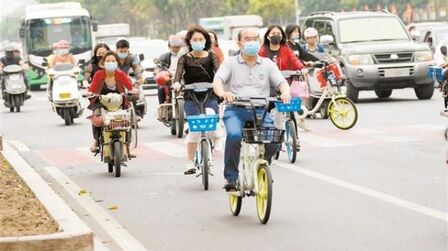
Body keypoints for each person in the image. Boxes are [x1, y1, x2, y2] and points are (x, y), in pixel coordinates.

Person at [212, 28, 291, 191]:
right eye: (248, 39)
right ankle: (231, 178)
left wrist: (285, 92)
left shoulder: (268, 64)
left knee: (275, 140)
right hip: (235, 110)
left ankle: (262, 168)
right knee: (234, 136)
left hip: (260, 112)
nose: (252, 42)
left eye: (255, 38)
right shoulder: (230, 63)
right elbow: (218, 80)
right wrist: (223, 93)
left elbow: (281, 82)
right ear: (239, 43)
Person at [172, 25, 220, 175]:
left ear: (205, 40)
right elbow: (178, 74)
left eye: (201, 39)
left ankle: (211, 148)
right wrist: (177, 83)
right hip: (191, 96)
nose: (198, 41)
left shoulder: (212, 56)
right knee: (194, 129)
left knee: (212, 122)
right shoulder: (184, 58)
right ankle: (190, 162)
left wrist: (220, 85)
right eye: (195, 39)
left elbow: (219, 73)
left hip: (210, 95)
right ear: (189, 41)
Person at [258, 25, 309, 131]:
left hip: (285, 84)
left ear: (282, 36)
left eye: (278, 34)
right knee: (268, 110)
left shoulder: (286, 50)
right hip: (267, 86)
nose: (276, 36)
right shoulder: (262, 51)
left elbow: (295, 60)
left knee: (289, 108)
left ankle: (294, 133)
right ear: (268, 36)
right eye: (273, 34)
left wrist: (302, 68)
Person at [86, 51, 138, 152]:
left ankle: (128, 144)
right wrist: (89, 93)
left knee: (127, 119)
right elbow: (92, 88)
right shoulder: (98, 74)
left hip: (119, 102)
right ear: (103, 63)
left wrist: (133, 90)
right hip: (101, 102)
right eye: (108, 61)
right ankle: (96, 141)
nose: (110, 63)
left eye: (113, 61)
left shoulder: (120, 74)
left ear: (117, 63)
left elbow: (129, 86)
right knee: (97, 117)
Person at [154, 35, 184, 104]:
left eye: (177, 47)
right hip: (169, 80)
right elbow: (158, 67)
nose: (175, 49)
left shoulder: (186, 56)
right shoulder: (164, 57)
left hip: (183, 79)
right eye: (173, 47)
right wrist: (159, 72)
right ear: (169, 47)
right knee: (161, 89)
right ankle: (161, 107)